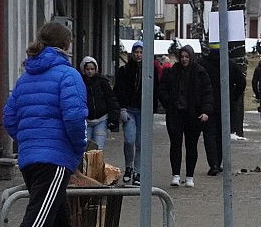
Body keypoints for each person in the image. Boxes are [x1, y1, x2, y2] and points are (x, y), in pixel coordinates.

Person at [0, 23, 106, 227]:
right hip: (55, 156)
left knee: (57, 219)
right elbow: (74, 118)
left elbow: (9, 118)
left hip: (30, 156)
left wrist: (28, 139)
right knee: (38, 218)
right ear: (67, 46)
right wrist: (79, 146)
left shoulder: (26, 77)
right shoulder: (68, 75)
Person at [159, 45, 213, 187]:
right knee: (175, 145)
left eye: (187, 57)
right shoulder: (172, 72)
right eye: (182, 56)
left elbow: (207, 93)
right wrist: (169, 103)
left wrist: (205, 111)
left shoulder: (200, 73)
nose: (184, 59)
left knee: (191, 146)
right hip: (175, 114)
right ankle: (175, 175)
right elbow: (162, 89)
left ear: (191, 57)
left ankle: (190, 176)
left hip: (193, 115)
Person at [200, 46, 246, 176]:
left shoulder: (203, 65)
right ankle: (218, 162)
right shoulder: (230, 64)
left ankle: (213, 163)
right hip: (225, 105)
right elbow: (241, 82)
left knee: (209, 135)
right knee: (221, 134)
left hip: (207, 105)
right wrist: (233, 97)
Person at [113, 40, 150, 186]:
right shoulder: (124, 70)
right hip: (128, 109)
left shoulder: (149, 70)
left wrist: (151, 109)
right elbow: (118, 90)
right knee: (129, 140)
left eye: (141, 52)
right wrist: (121, 108)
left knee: (140, 143)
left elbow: (154, 90)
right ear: (132, 53)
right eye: (136, 52)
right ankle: (129, 167)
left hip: (143, 111)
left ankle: (138, 172)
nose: (138, 55)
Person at [80, 56, 120, 151]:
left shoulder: (102, 82)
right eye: (87, 69)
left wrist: (113, 119)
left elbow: (111, 99)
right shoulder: (80, 82)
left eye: (92, 69)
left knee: (98, 148)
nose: (90, 71)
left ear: (96, 69)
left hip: (101, 119)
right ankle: (88, 166)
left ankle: (96, 165)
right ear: (83, 70)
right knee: (86, 149)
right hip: (86, 120)